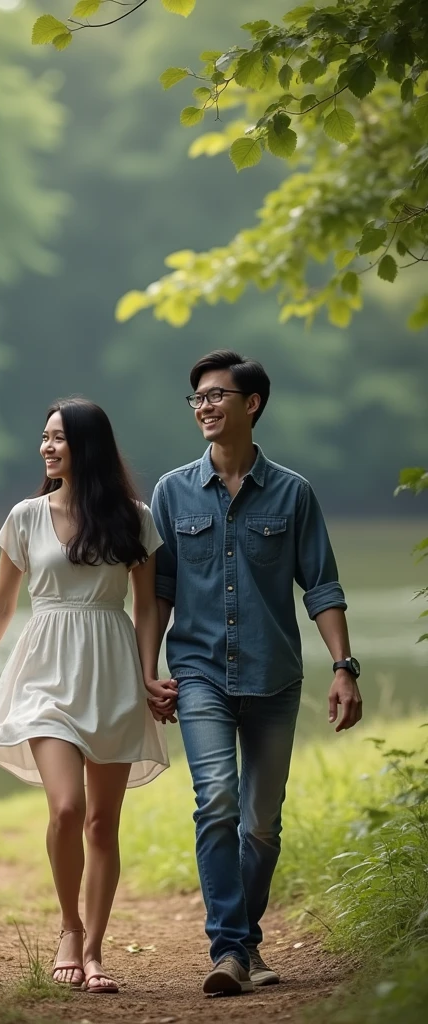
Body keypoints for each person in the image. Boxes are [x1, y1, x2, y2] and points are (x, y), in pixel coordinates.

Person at [151, 350, 362, 997]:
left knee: (261, 824)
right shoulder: (171, 492)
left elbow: (321, 587)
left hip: (274, 677)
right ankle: (231, 950)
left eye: (217, 396)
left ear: (252, 404)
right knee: (215, 801)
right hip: (199, 672)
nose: (205, 407)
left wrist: (344, 667)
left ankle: (242, 944)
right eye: (198, 399)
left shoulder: (293, 493)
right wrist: (145, 670)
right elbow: (158, 590)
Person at [0, 398, 174, 994]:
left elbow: (147, 606)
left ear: (88, 446)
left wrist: (149, 672)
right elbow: (3, 605)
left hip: (111, 671)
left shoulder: (134, 516)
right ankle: (69, 930)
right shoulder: (25, 516)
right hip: (44, 671)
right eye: (44, 437)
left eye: (59, 438)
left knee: (103, 824)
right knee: (67, 809)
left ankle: (98, 952)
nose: (47, 447)